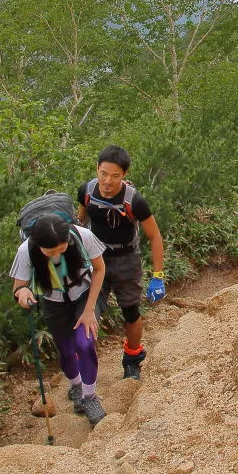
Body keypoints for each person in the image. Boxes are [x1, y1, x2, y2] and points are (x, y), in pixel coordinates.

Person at [77, 145, 166, 380]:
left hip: (126, 259)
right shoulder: (86, 191)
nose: (108, 180)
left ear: (124, 175)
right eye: (104, 173)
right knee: (88, 311)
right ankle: (84, 368)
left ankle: (133, 357)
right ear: (97, 168)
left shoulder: (134, 201)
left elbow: (155, 236)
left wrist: (158, 276)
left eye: (115, 175)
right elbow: (79, 222)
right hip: (96, 258)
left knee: (130, 311)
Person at [11, 213, 108, 426]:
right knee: (65, 350)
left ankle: (90, 398)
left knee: (85, 342)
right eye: (49, 251)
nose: (56, 254)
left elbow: (100, 269)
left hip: (84, 295)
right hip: (53, 300)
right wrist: (23, 293)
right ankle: (76, 386)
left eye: (62, 248)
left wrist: (90, 310)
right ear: (38, 245)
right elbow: (19, 286)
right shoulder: (26, 250)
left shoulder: (82, 236)